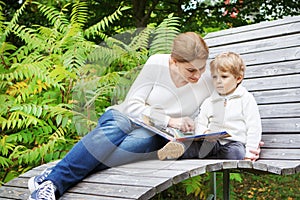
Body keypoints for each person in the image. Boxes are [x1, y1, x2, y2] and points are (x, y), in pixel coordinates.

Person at [28, 33, 262, 200]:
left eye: (202, 68)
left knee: (138, 143)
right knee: (114, 130)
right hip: (126, 118)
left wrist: (246, 140)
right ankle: (54, 184)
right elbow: (132, 105)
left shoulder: (206, 82)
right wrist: (169, 120)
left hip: (154, 134)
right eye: (191, 70)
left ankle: (55, 175)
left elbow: (232, 99)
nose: (199, 75)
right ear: (173, 61)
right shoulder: (157, 63)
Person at [157, 52, 262, 161]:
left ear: (238, 78)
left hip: (234, 143)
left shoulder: (245, 99)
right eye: (215, 77)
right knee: (198, 146)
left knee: (236, 153)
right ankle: (175, 151)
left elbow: (254, 127)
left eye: (224, 77)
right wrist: (205, 133)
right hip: (211, 142)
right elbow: (200, 123)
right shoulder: (210, 101)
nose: (218, 81)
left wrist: (250, 152)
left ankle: (207, 155)